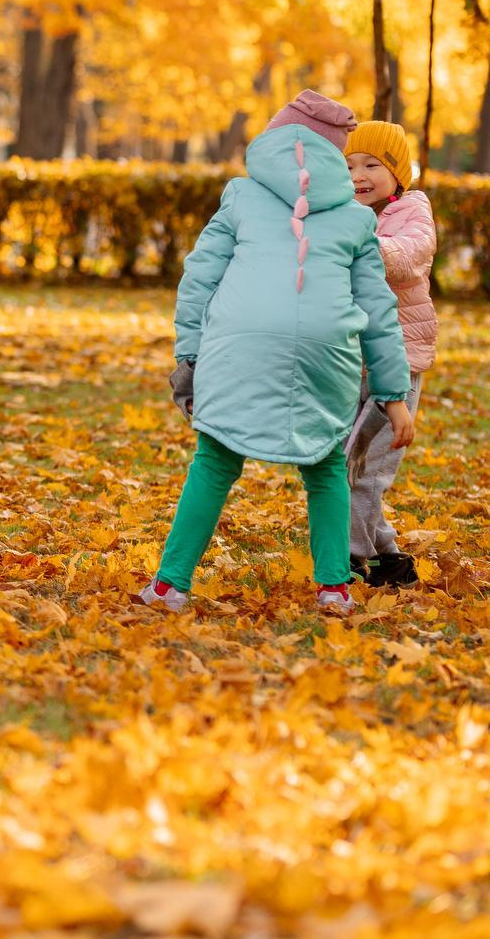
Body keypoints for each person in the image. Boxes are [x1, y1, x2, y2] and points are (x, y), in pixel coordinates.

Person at [143, 90, 414, 615]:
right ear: (336, 156)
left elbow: (198, 279)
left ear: (272, 139)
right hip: (326, 353)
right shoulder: (358, 220)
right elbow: (378, 311)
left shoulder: (241, 197)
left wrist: (190, 357)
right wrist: (392, 393)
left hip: (238, 344)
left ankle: (169, 584)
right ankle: (334, 588)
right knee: (326, 466)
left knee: (215, 460)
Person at [343, 120, 436, 587]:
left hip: (398, 363)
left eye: (371, 164)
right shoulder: (344, 212)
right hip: (351, 360)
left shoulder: (413, 212)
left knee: (367, 469)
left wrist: (361, 244)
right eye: (349, 165)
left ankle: (353, 558)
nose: (358, 174)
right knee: (350, 461)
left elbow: (408, 256)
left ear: (399, 172)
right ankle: (387, 556)